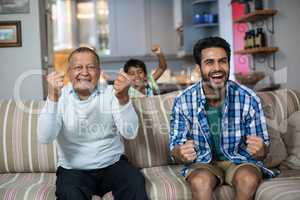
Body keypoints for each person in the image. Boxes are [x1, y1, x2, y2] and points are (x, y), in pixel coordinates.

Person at [169, 37, 275, 200]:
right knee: (199, 181)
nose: (217, 68)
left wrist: (262, 150)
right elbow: (175, 147)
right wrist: (180, 153)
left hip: (239, 160)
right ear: (199, 68)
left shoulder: (248, 98)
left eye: (222, 61)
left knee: (249, 178)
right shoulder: (183, 100)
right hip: (203, 162)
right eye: (209, 62)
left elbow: (262, 149)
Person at [37, 47, 148, 200]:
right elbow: (45, 138)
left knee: (135, 181)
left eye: (90, 67)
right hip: (73, 170)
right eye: (78, 67)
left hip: (113, 164)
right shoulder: (59, 97)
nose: (84, 72)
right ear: (69, 72)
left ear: (99, 71)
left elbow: (130, 132)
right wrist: (52, 98)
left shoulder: (111, 93)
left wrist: (123, 99)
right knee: (69, 194)